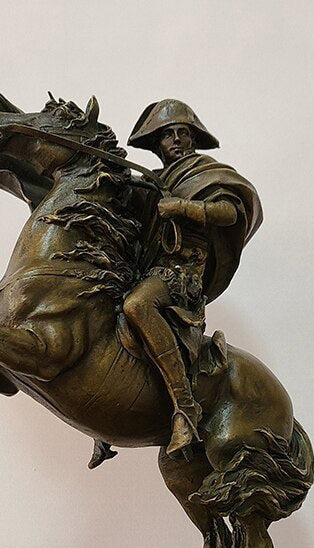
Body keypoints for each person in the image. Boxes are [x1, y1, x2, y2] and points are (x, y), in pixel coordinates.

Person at [122, 99, 263, 456]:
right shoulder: (153, 182)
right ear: (155, 143)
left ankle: (185, 407)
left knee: (138, 305)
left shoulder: (206, 172)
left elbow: (230, 212)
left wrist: (184, 207)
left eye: (183, 132)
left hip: (181, 274)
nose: (176, 140)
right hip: (145, 269)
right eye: (167, 134)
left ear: (194, 137)